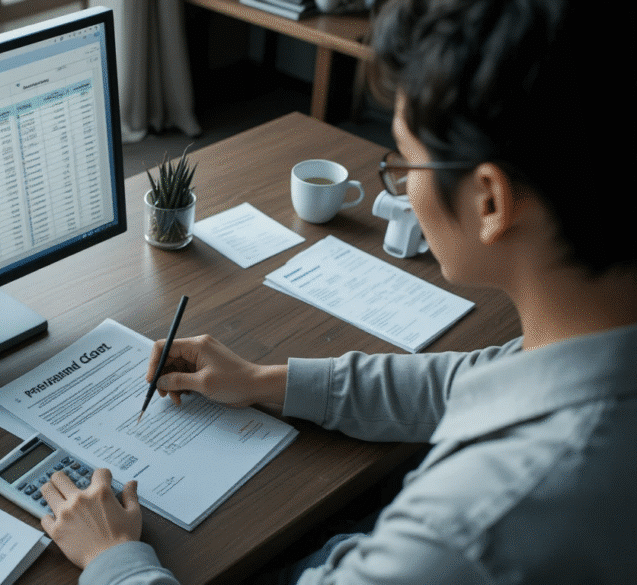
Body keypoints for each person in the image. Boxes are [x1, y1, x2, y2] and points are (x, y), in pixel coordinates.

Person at [38, 0, 637, 583]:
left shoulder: (474, 526)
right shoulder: (598, 332)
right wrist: (263, 382)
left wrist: (113, 559)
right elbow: (473, 380)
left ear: (489, 202)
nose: (401, 188)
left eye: (405, 164)